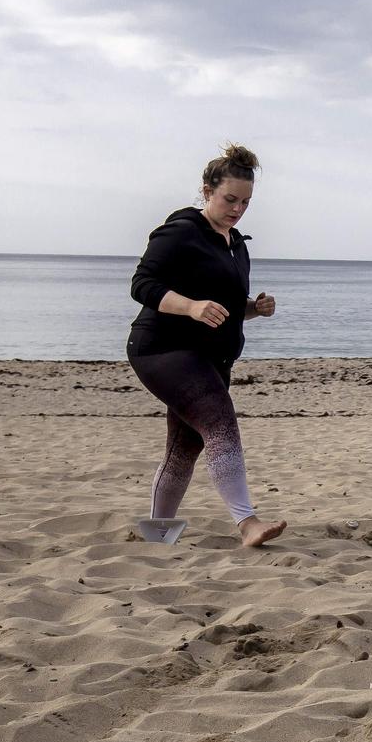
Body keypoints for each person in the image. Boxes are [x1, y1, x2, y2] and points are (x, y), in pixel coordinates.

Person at [127, 143, 286, 548]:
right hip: (161, 349)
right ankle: (247, 522)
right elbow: (142, 285)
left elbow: (226, 309)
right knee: (219, 420)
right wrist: (191, 307)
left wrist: (253, 309)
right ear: (206, 191)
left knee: (186, 445)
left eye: (246, 202)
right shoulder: (180, 231)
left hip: (211, 357)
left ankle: (158, 531)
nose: (237, 209)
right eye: (230, 199)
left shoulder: (236, 245)